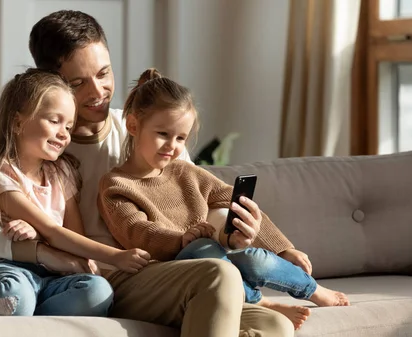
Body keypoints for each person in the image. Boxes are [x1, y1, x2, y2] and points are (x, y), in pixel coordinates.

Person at [0, 10, 299, 337]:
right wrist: (30, 249)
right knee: (218, 277)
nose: (98, 91)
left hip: (172, 274)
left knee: (273, 326)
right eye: (77, 83)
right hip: (108, 280)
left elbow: (193, 202)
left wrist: (232, 232)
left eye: (104, 73)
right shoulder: (33, 145)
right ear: (51, 82)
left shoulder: (144, 129)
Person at [98, 68, 351, 330]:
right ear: (133, 126)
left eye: (180, 138)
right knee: (201, 249)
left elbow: (237, 203)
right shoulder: (116, 185)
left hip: (213, 263)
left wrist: (284, 249)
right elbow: (136, 231)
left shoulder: (187, 173)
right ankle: (257, 300)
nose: (172, 146)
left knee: (253, 258)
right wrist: (183, 238)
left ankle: (312, 289)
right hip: (169, 272)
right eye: (162, 134)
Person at [0, 69, 150, 316]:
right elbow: (53, 232)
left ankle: (26, 314)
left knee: (98, 292)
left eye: (68, 125)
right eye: (54, 121)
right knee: (14, 296)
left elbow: (73, 234)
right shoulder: (1, 173)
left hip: (50, 276)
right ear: (17, 121)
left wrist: (85, 264)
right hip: (7, 268)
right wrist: (117, 256)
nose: (64, 134)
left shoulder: (62, 173)